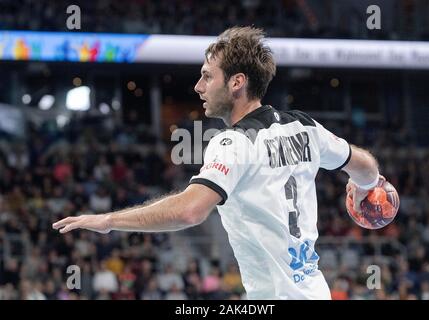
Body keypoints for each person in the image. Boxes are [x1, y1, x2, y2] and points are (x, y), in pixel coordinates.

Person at [53, 26, 384, 300]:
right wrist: (368, 188)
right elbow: (365, 166)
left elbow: (189, 211)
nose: (198, 87)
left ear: (236, 82)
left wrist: (109, 220)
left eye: (207, 77)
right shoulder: (305, 127)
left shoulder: (233, 143)